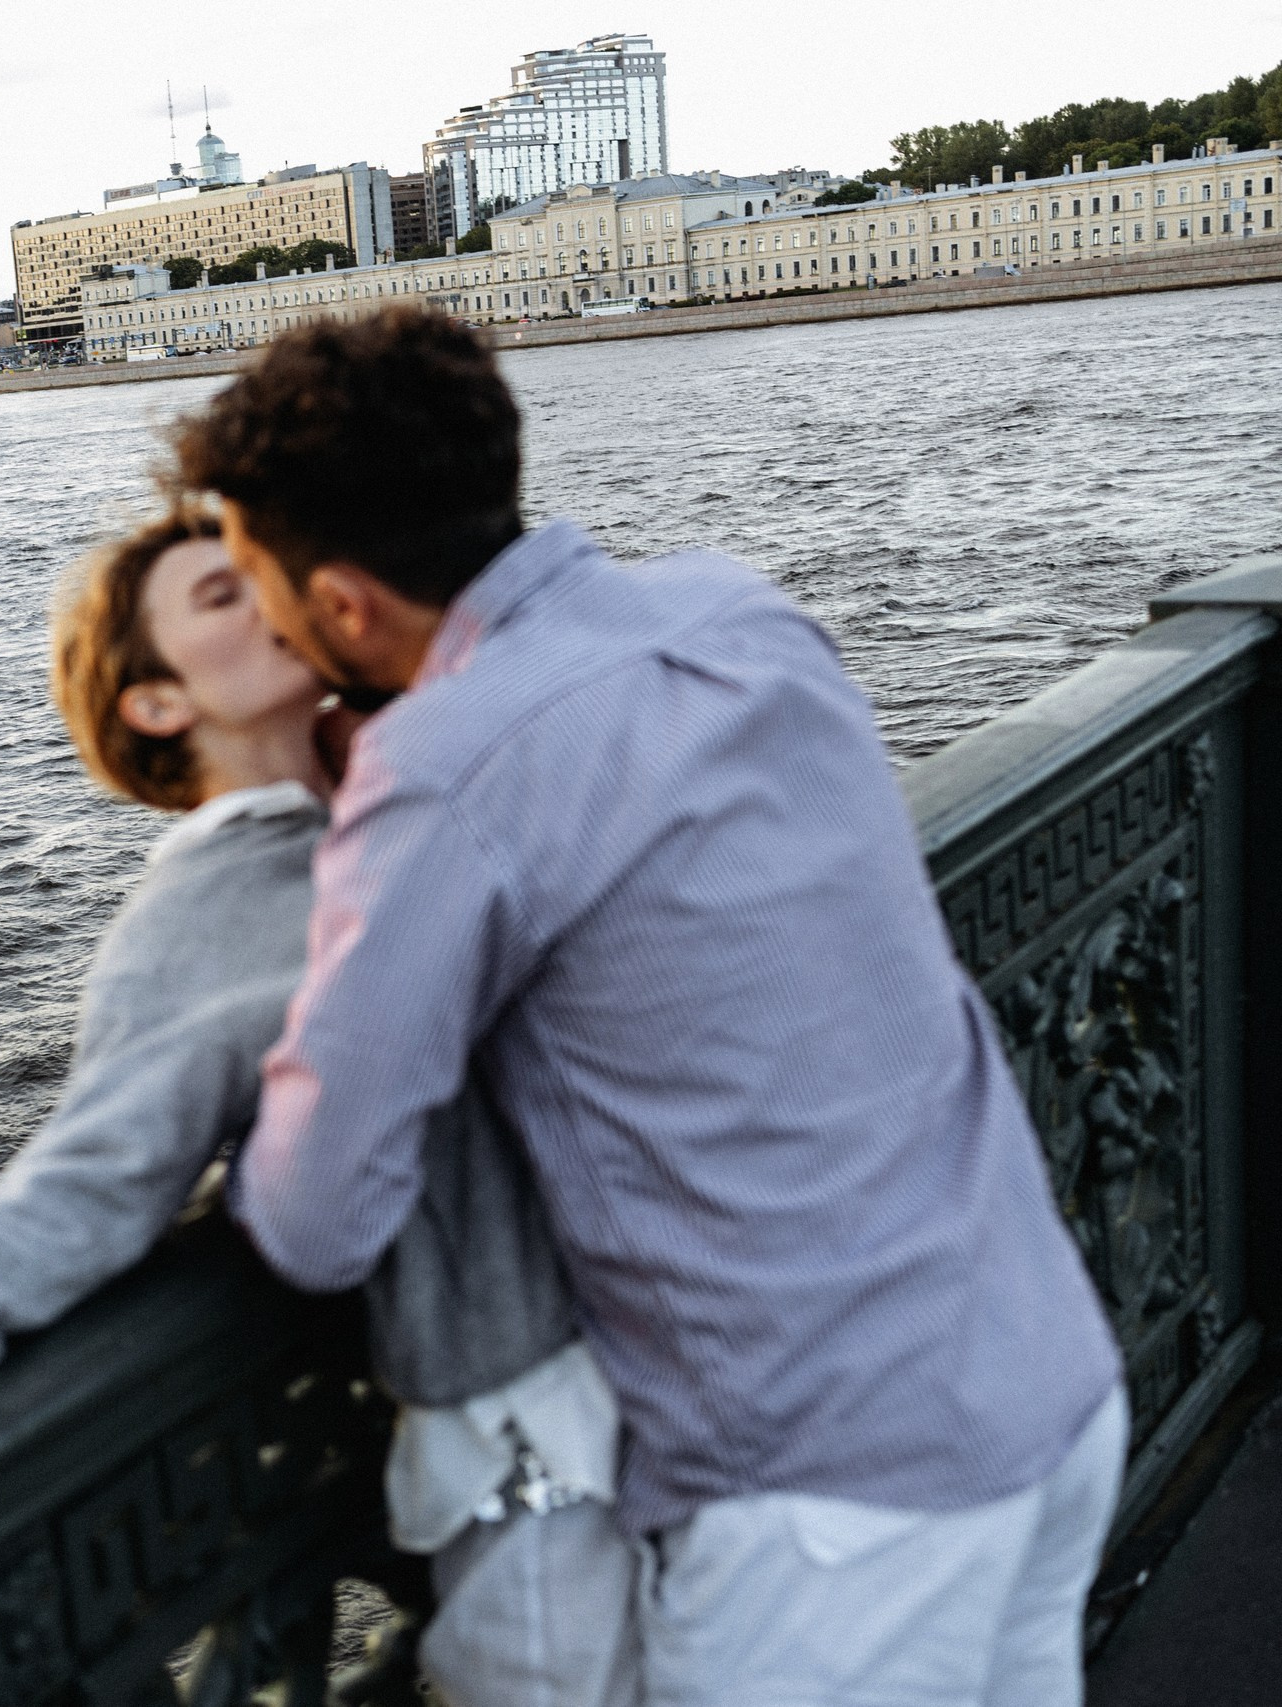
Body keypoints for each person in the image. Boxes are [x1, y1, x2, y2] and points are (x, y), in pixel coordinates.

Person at [180, 307, 1126, 1707]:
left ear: (342, 608)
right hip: (1044, 1375)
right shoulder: (739, 609)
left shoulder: (446, 765)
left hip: (833, 1510)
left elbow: (321, 1216)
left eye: (262, 585)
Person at [0, 512, 638, 1707]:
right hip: (542, 1467)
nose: (271, 599)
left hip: (682, 1392)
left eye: (266, 578)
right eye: (222, 600)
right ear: (157, 705)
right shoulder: (194, 925)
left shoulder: (398, 809)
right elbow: (79, 1196)